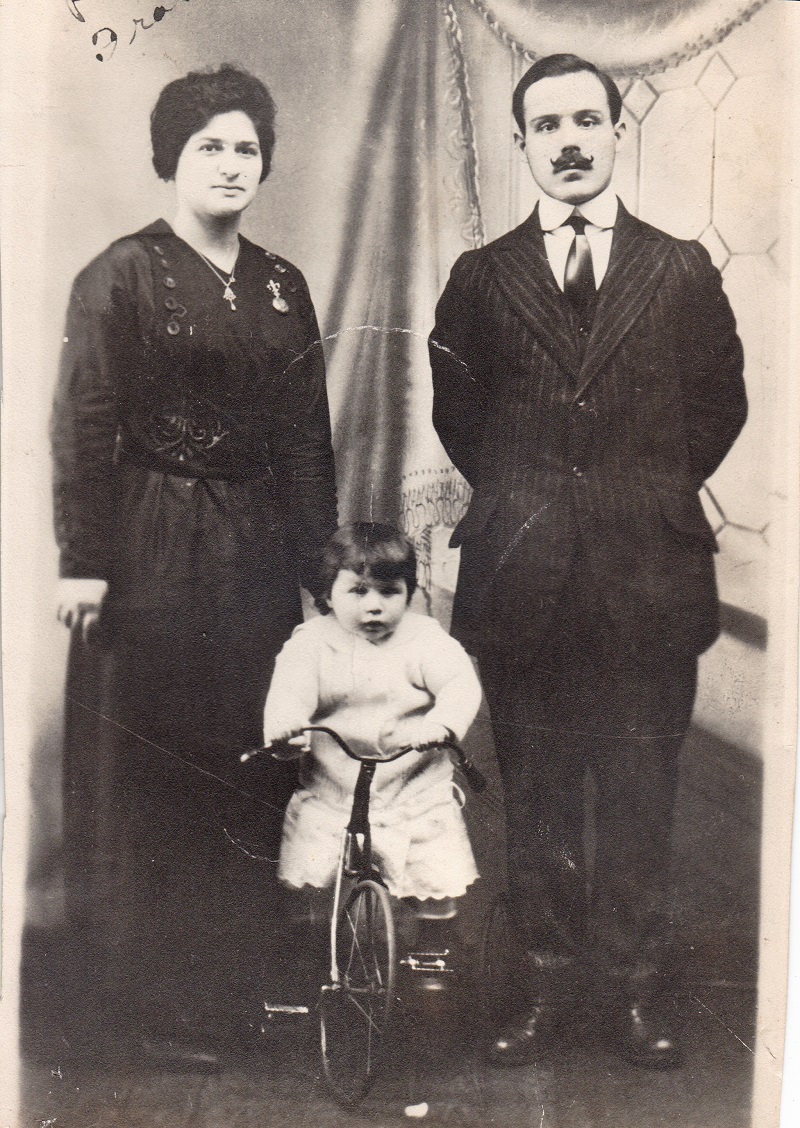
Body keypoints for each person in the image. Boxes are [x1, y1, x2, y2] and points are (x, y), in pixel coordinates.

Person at [429, 54, 747, 1068]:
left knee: (640, 795)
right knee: (536, 798)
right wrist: (537, 504)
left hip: (646, 580)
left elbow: (715, 407)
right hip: (522, 582)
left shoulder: (680, 267)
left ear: (616, 134)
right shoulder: (479, 278)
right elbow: (461, 420)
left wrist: (635, 499)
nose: (568, 141)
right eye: (545, 125)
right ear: (521, 144)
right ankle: (545, 991)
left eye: (585, 121)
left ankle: (630, 997)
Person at [51, 65, 338, 1062]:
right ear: (170, 155)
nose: (229, 164)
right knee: (157, 766)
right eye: (209, 144)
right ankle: (150, 1005)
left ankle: (229, 985)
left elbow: (307, 435)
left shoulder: (280, 284)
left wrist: (323, 568)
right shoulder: (120, 274)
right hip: (154, 544)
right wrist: (83, 561)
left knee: (248, 762)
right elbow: (84, 421)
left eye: (245, 147)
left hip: (257, 549)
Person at [261, 522, 483, 976]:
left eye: (389, 591)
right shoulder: (312, 644)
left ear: (409, 592)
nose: (375, 606)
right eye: (358, 591)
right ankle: (312, 963)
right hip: (335, 789)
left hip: (412, 789)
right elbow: (289, 694)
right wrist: (287, 730)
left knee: (433, 875)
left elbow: (461, 685)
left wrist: (440, 723)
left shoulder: (425, 641)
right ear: (329, 592)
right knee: (312, 879)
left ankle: (431, 956)